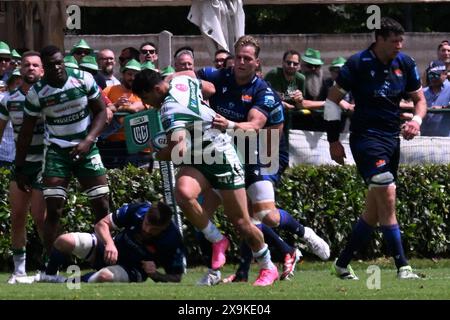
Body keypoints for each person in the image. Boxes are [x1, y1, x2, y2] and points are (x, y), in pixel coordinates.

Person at [198, 35, 330, 282]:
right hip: (226, 153)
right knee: (225, 216)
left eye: (248, 58)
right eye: (238, 57)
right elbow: (188, 78)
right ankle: (238, 269)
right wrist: (168, 83)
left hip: (261, 152)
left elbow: (256, 125)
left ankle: (303, 236)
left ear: (257, 63)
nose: (241, 62)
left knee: (264, 216)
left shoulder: (263, 91)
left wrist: (228, 124)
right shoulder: (219, 77)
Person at [132, 69, 280, 286]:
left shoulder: (169, 110)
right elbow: (210, 88)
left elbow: (178, 151)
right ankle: (218, 241)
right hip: (201, 158)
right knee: (183, 193)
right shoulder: (181, 81)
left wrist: (157, 151)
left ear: (155, 89)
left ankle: (268, 267)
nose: (147, 104)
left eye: (146, 98)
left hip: (221, 159)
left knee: (242, 223)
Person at [324, 17, 427, 280]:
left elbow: (420, 100)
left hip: (392, 139)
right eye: (394, 41)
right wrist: (333, 140)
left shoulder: (405, 63)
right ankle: (403, 266)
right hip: (366, 140)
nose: (399, 46)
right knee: (388, 194)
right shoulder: (357, 63)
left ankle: (342, 263)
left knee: (374, 209)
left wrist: (415, 120)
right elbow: (332, 100)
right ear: (379, 39)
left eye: (401, 41)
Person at [14, 45, 110, 258]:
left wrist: (88, 140)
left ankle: (107, 255)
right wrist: (19, 167)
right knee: (54, 210)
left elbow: (102, 112)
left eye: (59, 62)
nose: (57, 67)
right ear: (44, 69)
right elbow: (26, 133)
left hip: (87, 148)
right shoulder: (37, 93)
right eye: (51, 65)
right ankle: (52, 266)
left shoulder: (83, 78)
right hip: (57, 152)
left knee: (102, 205)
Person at [35, 201, 185, 283]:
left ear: (164, 227)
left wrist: (156, 275)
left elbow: (176, 277)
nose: (146, 230)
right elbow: (102, 224)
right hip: (110, 251)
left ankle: (63, 281)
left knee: (104, 276)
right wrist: (109, 243)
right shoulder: (139, 209)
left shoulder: (173, 239)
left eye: (153, 230)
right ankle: (48, 276)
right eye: (146, 224)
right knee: (64, 240)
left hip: (132, 269)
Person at [0, 51, 46, 284]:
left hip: (45, 165)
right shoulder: (9, 100)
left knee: (40, 217)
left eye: (35, 65)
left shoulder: (52, 97)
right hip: (20, 166)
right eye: (26, 65)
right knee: (17, 216)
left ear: (42, 70)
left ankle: (51, 267)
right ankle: (19, 270)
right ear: (21, 70)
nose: (30, 68)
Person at [421, 60, 450, 136]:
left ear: (445, 74)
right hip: (425, 138)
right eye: (430, 75)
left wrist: (443, 108)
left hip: (446, 139)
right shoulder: (423, 92)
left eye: (436, 75)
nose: (433, 78)